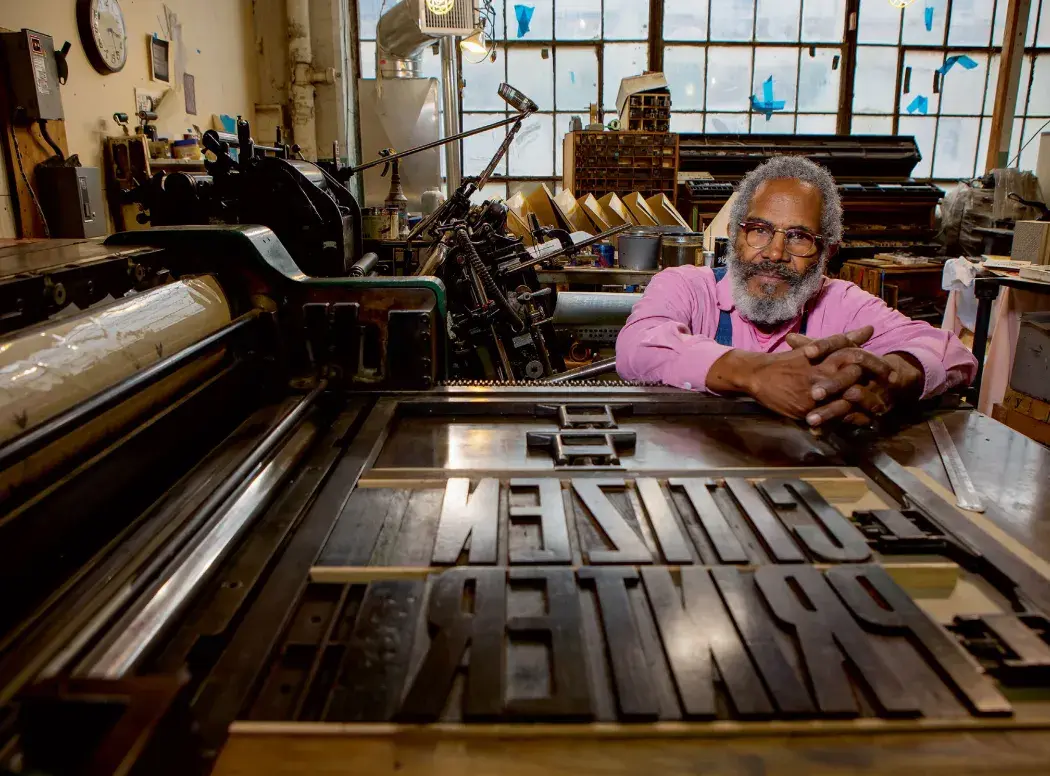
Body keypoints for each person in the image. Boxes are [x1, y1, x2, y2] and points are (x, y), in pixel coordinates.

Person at [616, 156, 976, 428]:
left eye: (799, 237)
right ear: (735, 235)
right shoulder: (688, 287)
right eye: (759, 230)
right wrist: (753, 373)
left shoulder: (842, 303)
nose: (774, 253)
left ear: (827, 253)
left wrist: (894, 377)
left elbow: (951, 351)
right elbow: (636, 346)